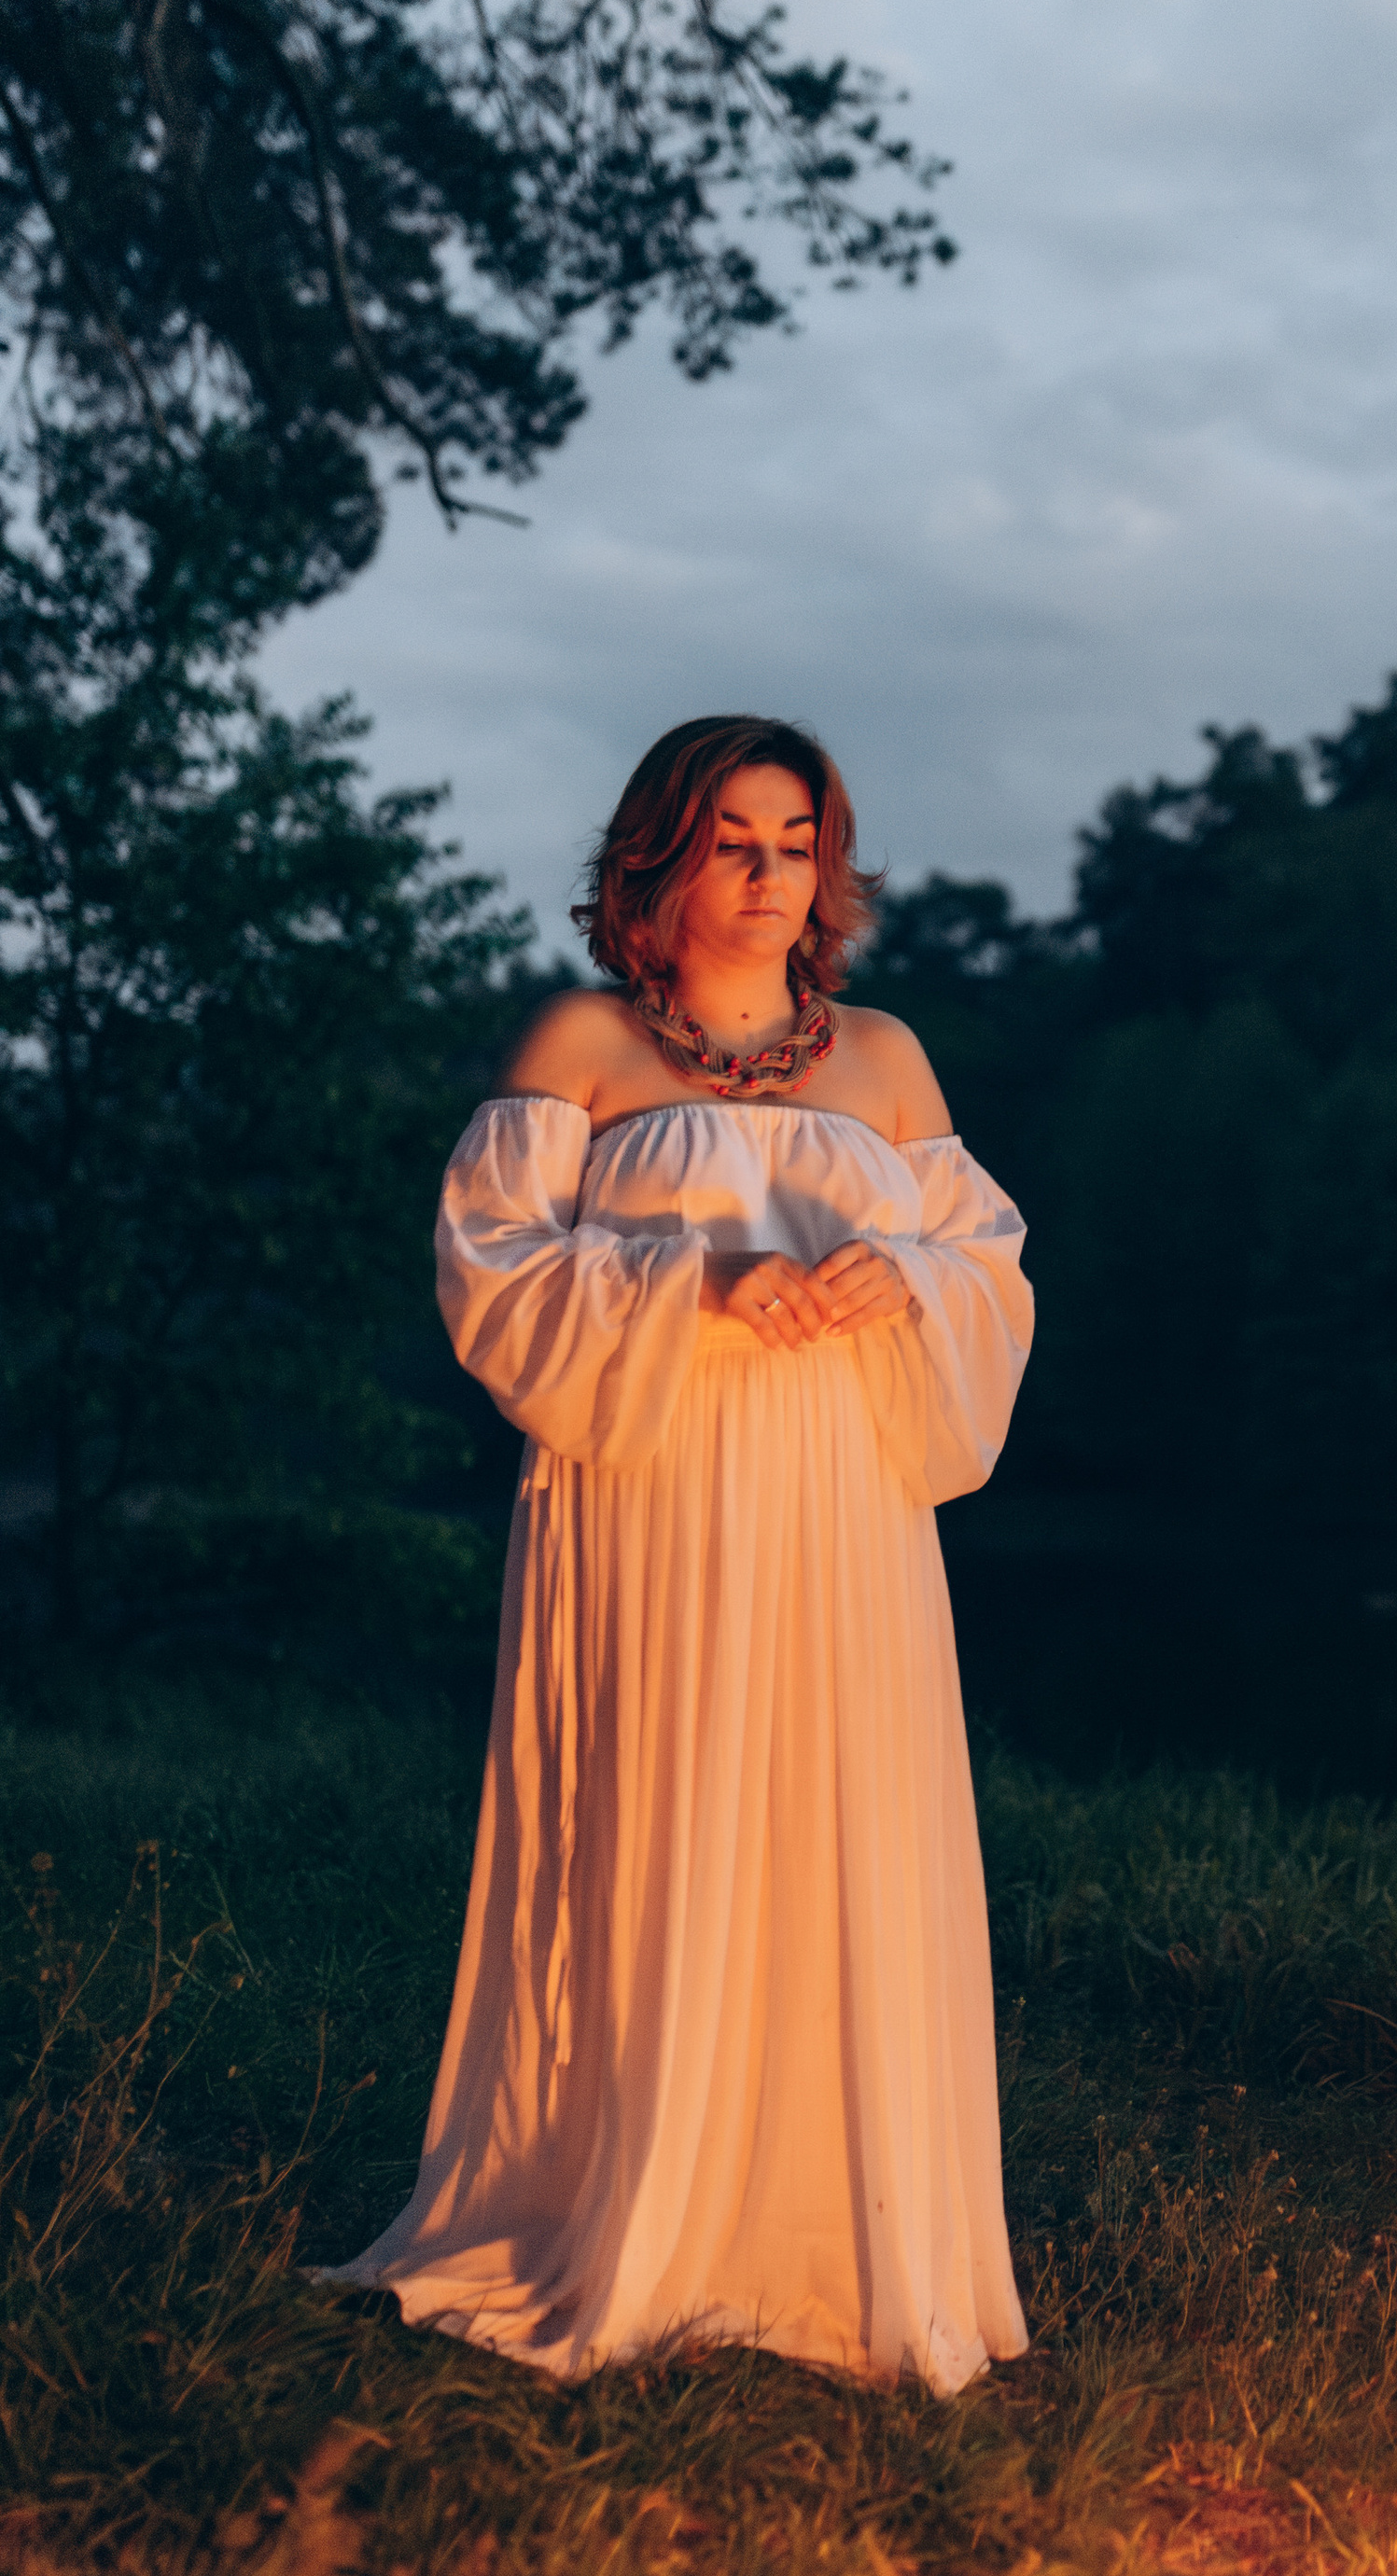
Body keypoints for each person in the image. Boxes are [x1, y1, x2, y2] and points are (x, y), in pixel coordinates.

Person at [323, 715, 1032, 2394]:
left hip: (840, 1505)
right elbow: (492, 1275)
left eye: (797, 840)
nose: (770, 871)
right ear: (661, 854)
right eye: (733, 837)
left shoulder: (889, 1061)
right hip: (646, 1490)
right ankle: (628, 2210)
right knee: (652, 1817)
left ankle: (831, 2234)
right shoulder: (578, 1039)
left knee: (830, 1820)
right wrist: (699, 1290)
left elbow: (989, 1272)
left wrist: (900, 1285)